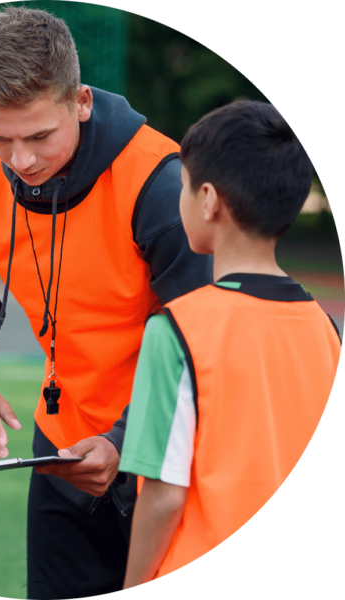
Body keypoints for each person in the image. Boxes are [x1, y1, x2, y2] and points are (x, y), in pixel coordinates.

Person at [0, 7, 211, 598]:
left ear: (80, 101)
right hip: (57, 460)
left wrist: (123, 443)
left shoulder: (160, 183)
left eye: (38, 136)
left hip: (166, 465)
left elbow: (208, 343)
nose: (20, 161)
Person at [119, 100, 342, 587]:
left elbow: (164, 493)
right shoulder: (326, 330)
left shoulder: (176, 328)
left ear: (208, 200)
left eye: (180, 186)